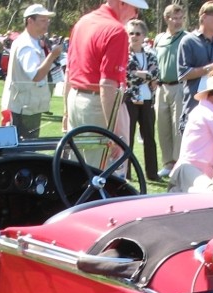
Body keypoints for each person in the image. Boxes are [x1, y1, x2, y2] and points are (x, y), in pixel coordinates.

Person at [63, 0, 147, 151]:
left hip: (75, 100)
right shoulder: (117, 31)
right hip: (99, 105)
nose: (136, 15)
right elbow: (107, 84)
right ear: (122, 4)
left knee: (77, 167)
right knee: (104, 168)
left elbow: (69, 72)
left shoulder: (82, 22)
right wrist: (114, 133)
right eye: (135, 9)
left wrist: (66, 112)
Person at [1, 3, 61, 140]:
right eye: (42, 20)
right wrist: (52, 56)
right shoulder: (26, 44)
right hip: (24, 107)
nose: (46, 24)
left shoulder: (33, 41)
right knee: (24, 148)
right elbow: (36, 75)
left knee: (25, 148)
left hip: (28, 104)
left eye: (47, 21)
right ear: (30, 21)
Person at [177, 1, 213, 133]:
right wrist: (211, 67)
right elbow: (183, 74)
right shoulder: (188, 41)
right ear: (204, 17)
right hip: (194, 104)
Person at [124, 18, 159, 179]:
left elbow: (156, 73)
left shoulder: (151, 54)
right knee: (127, 138)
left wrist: (138, 74)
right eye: (131, 33)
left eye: (138, 33)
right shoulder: (124, 54)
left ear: (144, 35)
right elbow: (126, 76)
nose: (134, 36)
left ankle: (152, 173)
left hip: (147, 101)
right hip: (129, 100)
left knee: (149, 137)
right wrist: (146, 76)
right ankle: (126, 172)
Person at [153, 3, 185, 178]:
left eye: (181, 18)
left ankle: (178, 162)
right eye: (174, 18)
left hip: (180, 86)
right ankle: (167, 162)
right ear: (167, 19)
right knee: (163, 126)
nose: (178, 22)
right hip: (161, 87)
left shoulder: (187, 38)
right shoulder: (159, 39)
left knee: (177, 126)